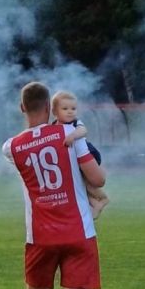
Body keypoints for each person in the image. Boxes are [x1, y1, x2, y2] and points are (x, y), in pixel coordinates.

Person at [3, 81, 107, 289]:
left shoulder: (12, 146)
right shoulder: (68, 134)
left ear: (22, 108)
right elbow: (97, 179)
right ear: (51, 107)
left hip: (40, 236)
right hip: (78, 233)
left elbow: (25, 154)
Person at [51, 90, 110, 218]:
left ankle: (103, 199)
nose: (70, 111)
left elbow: (83, 130)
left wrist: (73, 135)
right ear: (55, 112)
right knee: (79, 184)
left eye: (73, 108)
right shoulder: (52, 127)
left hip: (89, 154)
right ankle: (95, 202)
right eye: (65, 108)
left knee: (85, 182)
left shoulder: (75, 123)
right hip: (72, 158)